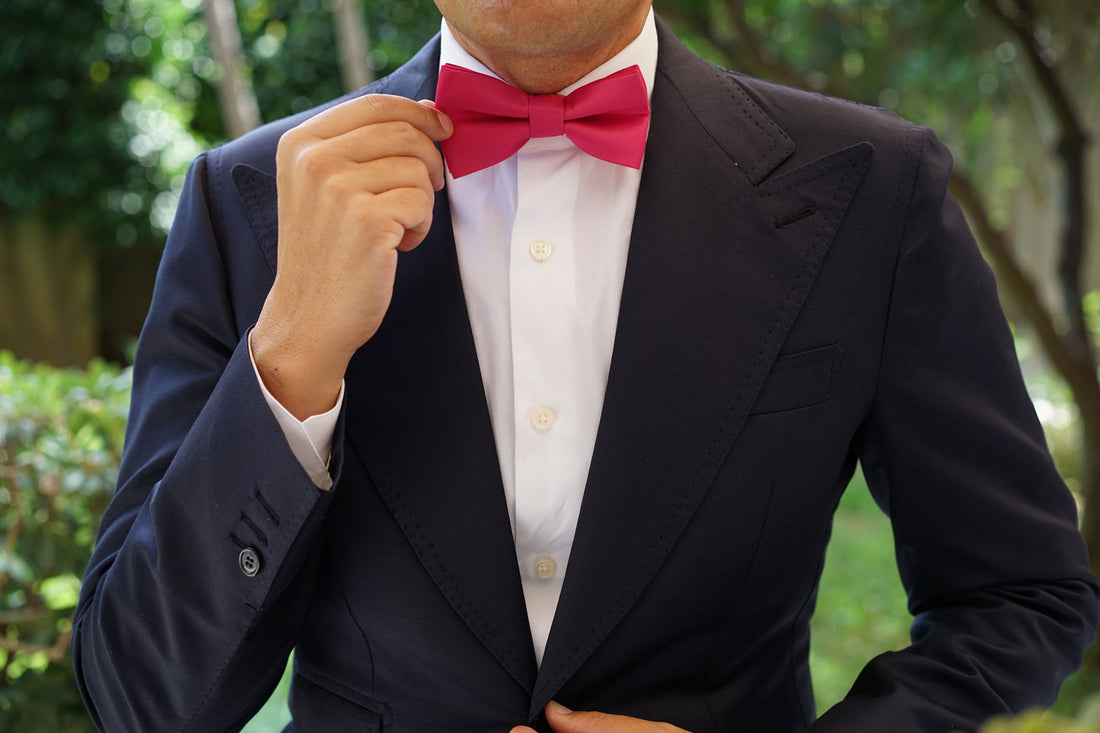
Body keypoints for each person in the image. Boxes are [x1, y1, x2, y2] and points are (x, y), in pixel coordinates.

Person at [72, 1, 1099, 731]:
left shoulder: (875, 191)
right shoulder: (242, 203)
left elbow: (1023, 595)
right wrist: (293, 351)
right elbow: (143, 697)